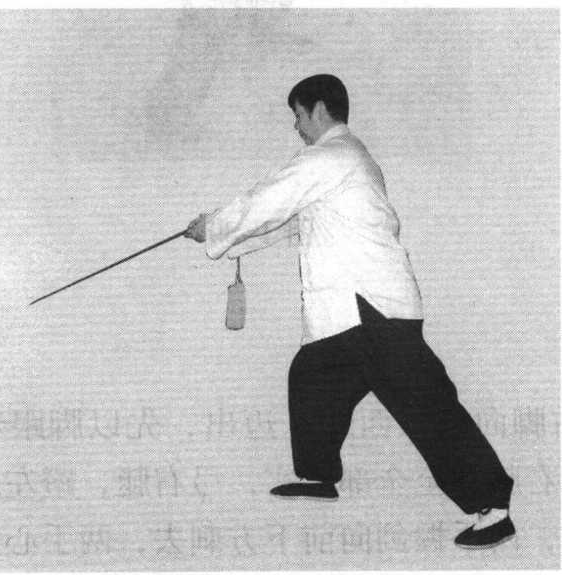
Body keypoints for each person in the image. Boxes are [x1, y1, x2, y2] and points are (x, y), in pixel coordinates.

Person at [184, 74, 515, 549]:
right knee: (310, 376)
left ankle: (493, 508)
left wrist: (214, 224)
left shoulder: (331, 156)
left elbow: (269, 199)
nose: (296, 126)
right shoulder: (348, 163)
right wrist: (225, 238)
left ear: (319, 109)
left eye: (298, 115)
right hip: (351, 316)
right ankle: (319, 476)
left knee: (427, 406)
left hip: (371, 311)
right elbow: (290, 221)